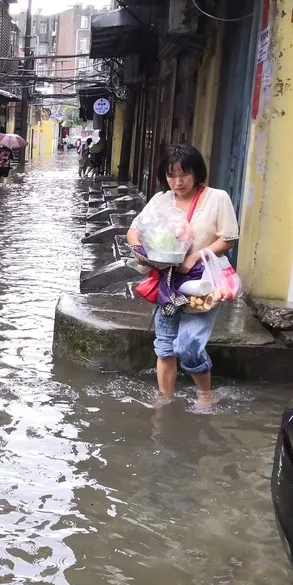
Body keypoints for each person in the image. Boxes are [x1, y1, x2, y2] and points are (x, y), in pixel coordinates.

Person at [126, 143, 239, 405]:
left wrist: (195, 256)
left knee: (188, 346)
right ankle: (165, 401)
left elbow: (228, 240)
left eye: (184, 175)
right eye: (171, 175)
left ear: (197, 173)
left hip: (204, 284)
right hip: (168, 284)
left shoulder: (217, 198)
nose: (177, 182)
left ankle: (205, 396)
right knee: (165, 347)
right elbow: (134, 230)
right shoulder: (160, 200)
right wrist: (141, 251)